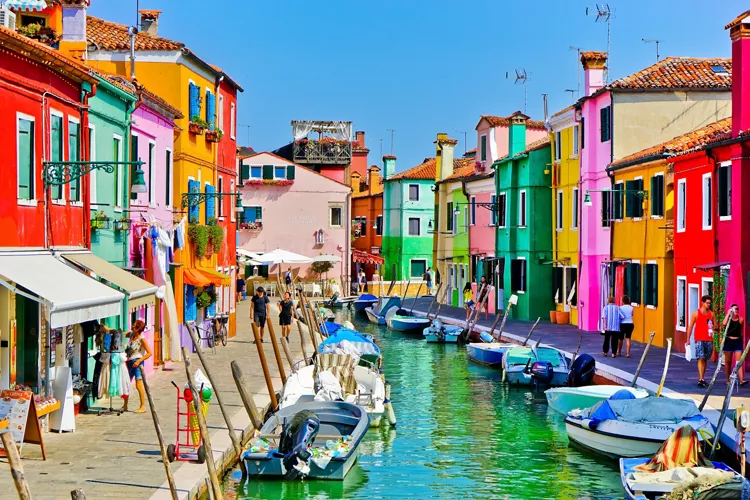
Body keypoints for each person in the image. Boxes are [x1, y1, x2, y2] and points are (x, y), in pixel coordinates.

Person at [123, 320, 152, 413]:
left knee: (138, 384)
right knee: (127, 383)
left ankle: (142, 406)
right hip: (129, 362)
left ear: (138, 328)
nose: (132, 326)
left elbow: (149, 353)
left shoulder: (141, 338)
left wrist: (139, 361)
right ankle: (125, 405)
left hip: (137, 362)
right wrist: (106, 329)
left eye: (134, 325)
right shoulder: (131, 335)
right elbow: (120, 333)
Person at [687, 295, 715, 387]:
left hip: (709, 339)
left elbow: (716, 326)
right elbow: (690, 326)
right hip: (699, 338)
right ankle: (700, 378)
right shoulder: (696, 313)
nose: (708, 305)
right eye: (707, 303)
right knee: (700, 357)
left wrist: (713, 327)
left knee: (705, 358)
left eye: (710, 303)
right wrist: (688, 340)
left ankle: (702, 377)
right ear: (702, 302)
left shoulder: (711, 314)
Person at [722, 304, 747, 386]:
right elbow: (724, 324)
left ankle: (741, 379)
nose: (736, 310)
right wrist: (728, 313)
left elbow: (742, 332)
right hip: (728, 341)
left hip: (737, 341)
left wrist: (742, 340)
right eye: (734, 309)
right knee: (728, 361)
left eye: (737, 309)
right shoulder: (728, 319)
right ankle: (728, 379)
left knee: (738, 361)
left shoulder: (740, 319)